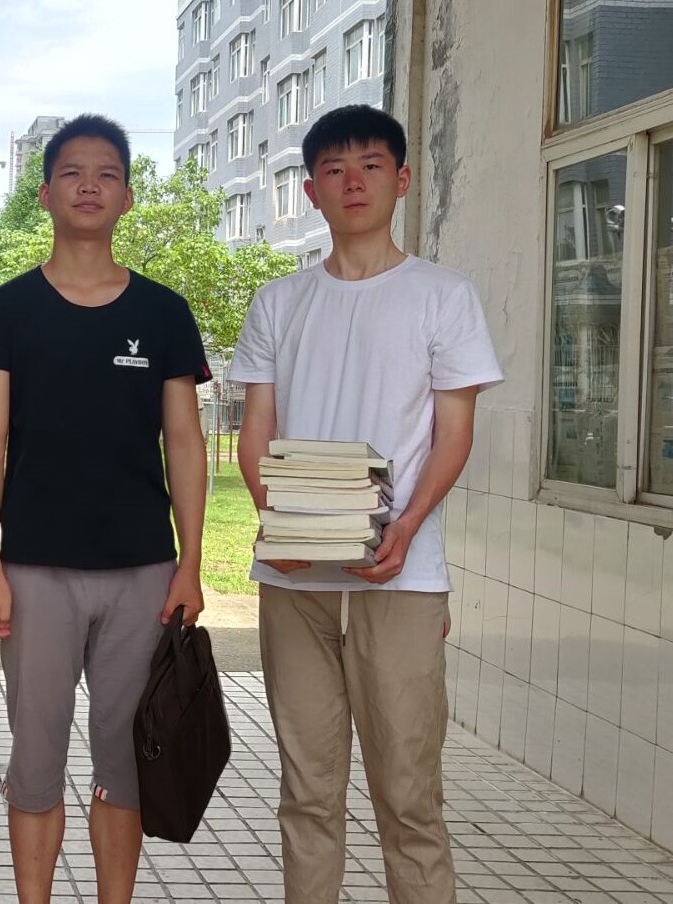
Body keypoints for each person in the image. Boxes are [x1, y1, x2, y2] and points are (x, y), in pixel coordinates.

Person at [229, 104, 503, 904]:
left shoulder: (443, 296)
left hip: (400, 577)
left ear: (402, 180)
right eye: (334, 169)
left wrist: (407, 527)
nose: (353, 182)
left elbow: (454, 433)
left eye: (371, 165)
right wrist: (275, 525)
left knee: (409, 795)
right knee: (307, 793)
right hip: (295, 582)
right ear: (310, 190)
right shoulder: (279, 301)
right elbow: (256, 432)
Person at [0, 114, 210, 904]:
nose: (90, 186)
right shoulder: (5, 311)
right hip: (35, 572)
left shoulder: (163, 313)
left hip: (143, 573)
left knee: (124, 761)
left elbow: (185, 444)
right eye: (72, 172)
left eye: (107, 173)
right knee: (36, 761)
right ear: (44, 194)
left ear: (129, 196)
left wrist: (192, 564)